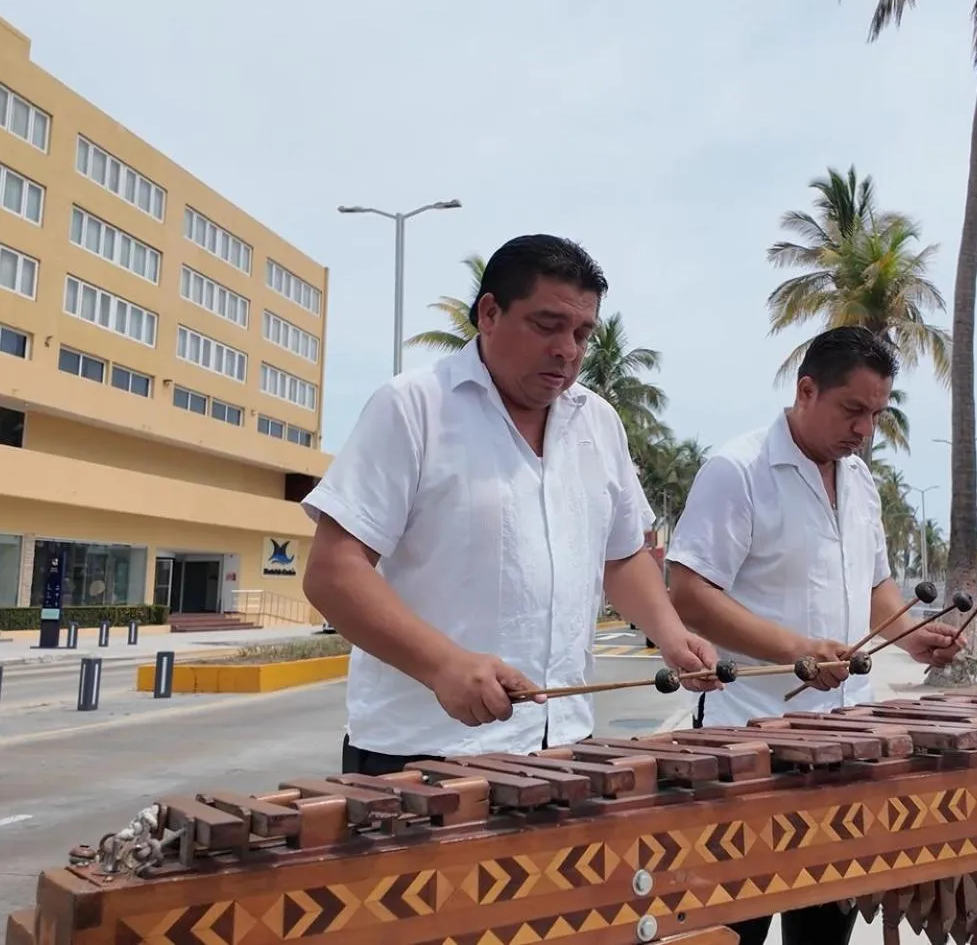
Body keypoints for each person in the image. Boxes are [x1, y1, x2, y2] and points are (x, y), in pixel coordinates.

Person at [301, 233, 720, 776]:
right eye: (547, 326)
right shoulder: (413, 407)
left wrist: (669, 634)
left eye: (582, 333)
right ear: (490, 313)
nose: (567, 349)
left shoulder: (598, 423)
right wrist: (443, 665)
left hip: (565, 742)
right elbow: (333, 573)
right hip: (423, 750)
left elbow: (621, 557)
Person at [665, 325, 966, 945]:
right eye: (853, 410)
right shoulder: (737, 469)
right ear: (806, 390)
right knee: (735, 922)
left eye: (877, 414)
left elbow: (875, 584)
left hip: (845, 736)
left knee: (825, 927)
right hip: (747, 741)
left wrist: (909, 634)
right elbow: (689, 594)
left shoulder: (860, 482)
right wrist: (796, 652)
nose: (865, 429)